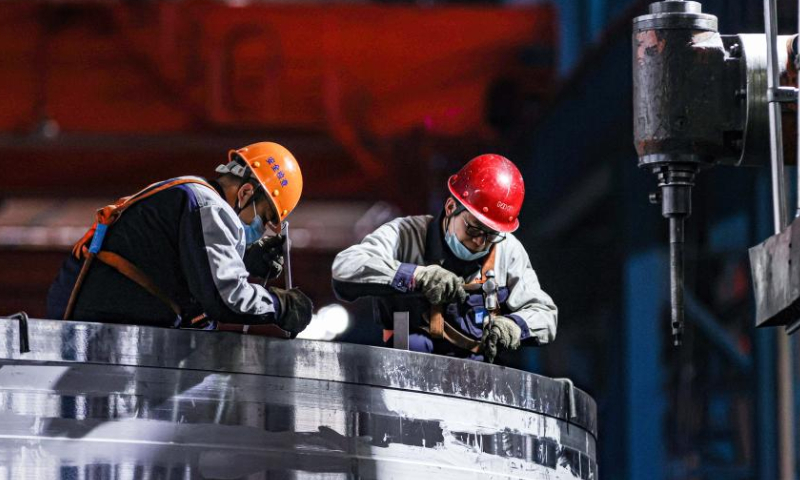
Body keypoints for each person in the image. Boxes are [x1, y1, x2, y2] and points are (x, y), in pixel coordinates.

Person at [46, 142, 313, 337]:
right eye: (263, 218)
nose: (257, 230)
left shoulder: (190, 194)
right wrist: (280, 305)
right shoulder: (210, 206)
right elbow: (227, 298)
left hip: (96, 319)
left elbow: (188, 266)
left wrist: (244, 259)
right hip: (102, 329)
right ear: (245, 193)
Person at [331, 154, 557, 362]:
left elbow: (545, 314)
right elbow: (346, 267)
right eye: (474, 229)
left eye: (492, 235)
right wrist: (417, 276)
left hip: (476, 380)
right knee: (413, 342)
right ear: (450, 207)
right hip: (405, 370)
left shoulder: (507, 250)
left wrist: (515, 326)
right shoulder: (406, 234)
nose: (481, 242)